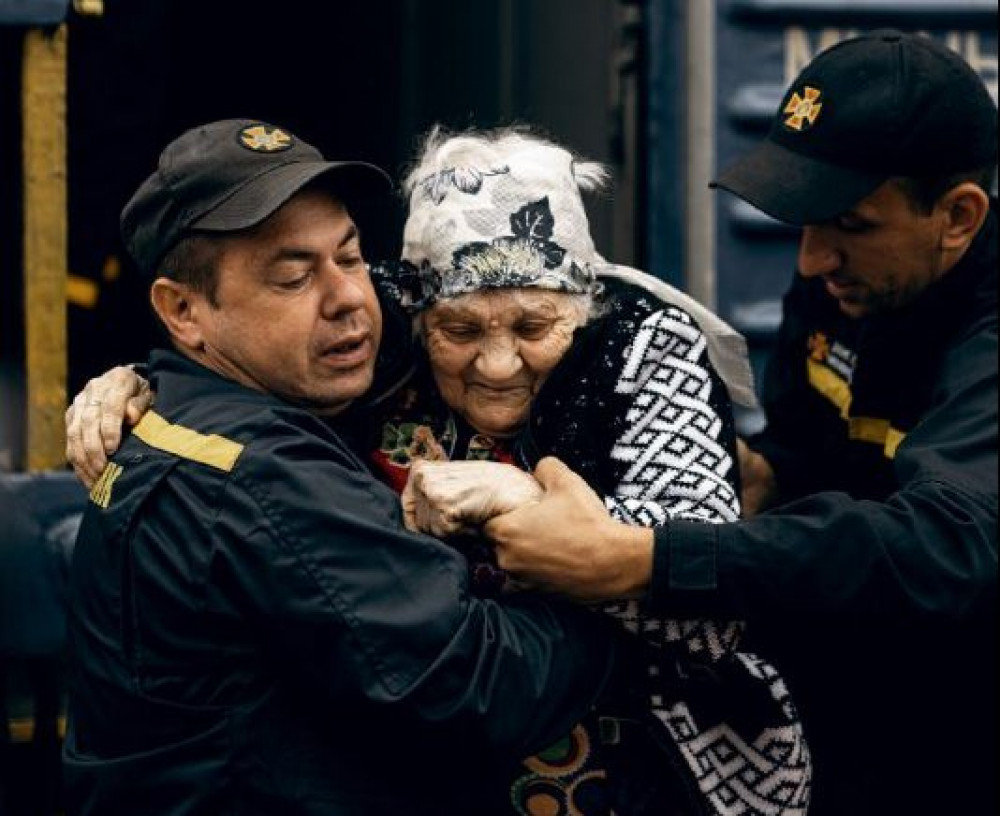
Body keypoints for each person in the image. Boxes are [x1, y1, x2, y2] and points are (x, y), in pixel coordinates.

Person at [67, 128, 811, 815]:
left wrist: (540, 519)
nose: (498, 362)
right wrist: (148, 380)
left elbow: (707, 597)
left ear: (584, 309)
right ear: (421, 313)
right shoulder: (376, 340)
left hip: (644, 764)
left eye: (534, 325)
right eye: (460, 329)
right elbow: (248, 357)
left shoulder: (644, 351)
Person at [446, 30, 996, 816]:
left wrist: (642, 559)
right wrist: (738, 470)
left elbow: (946, 547)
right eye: (802, 221)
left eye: (850, 224)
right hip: (853, 716)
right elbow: (809, 453)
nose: (811, 261)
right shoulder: (853, 279)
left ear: (958, 215)